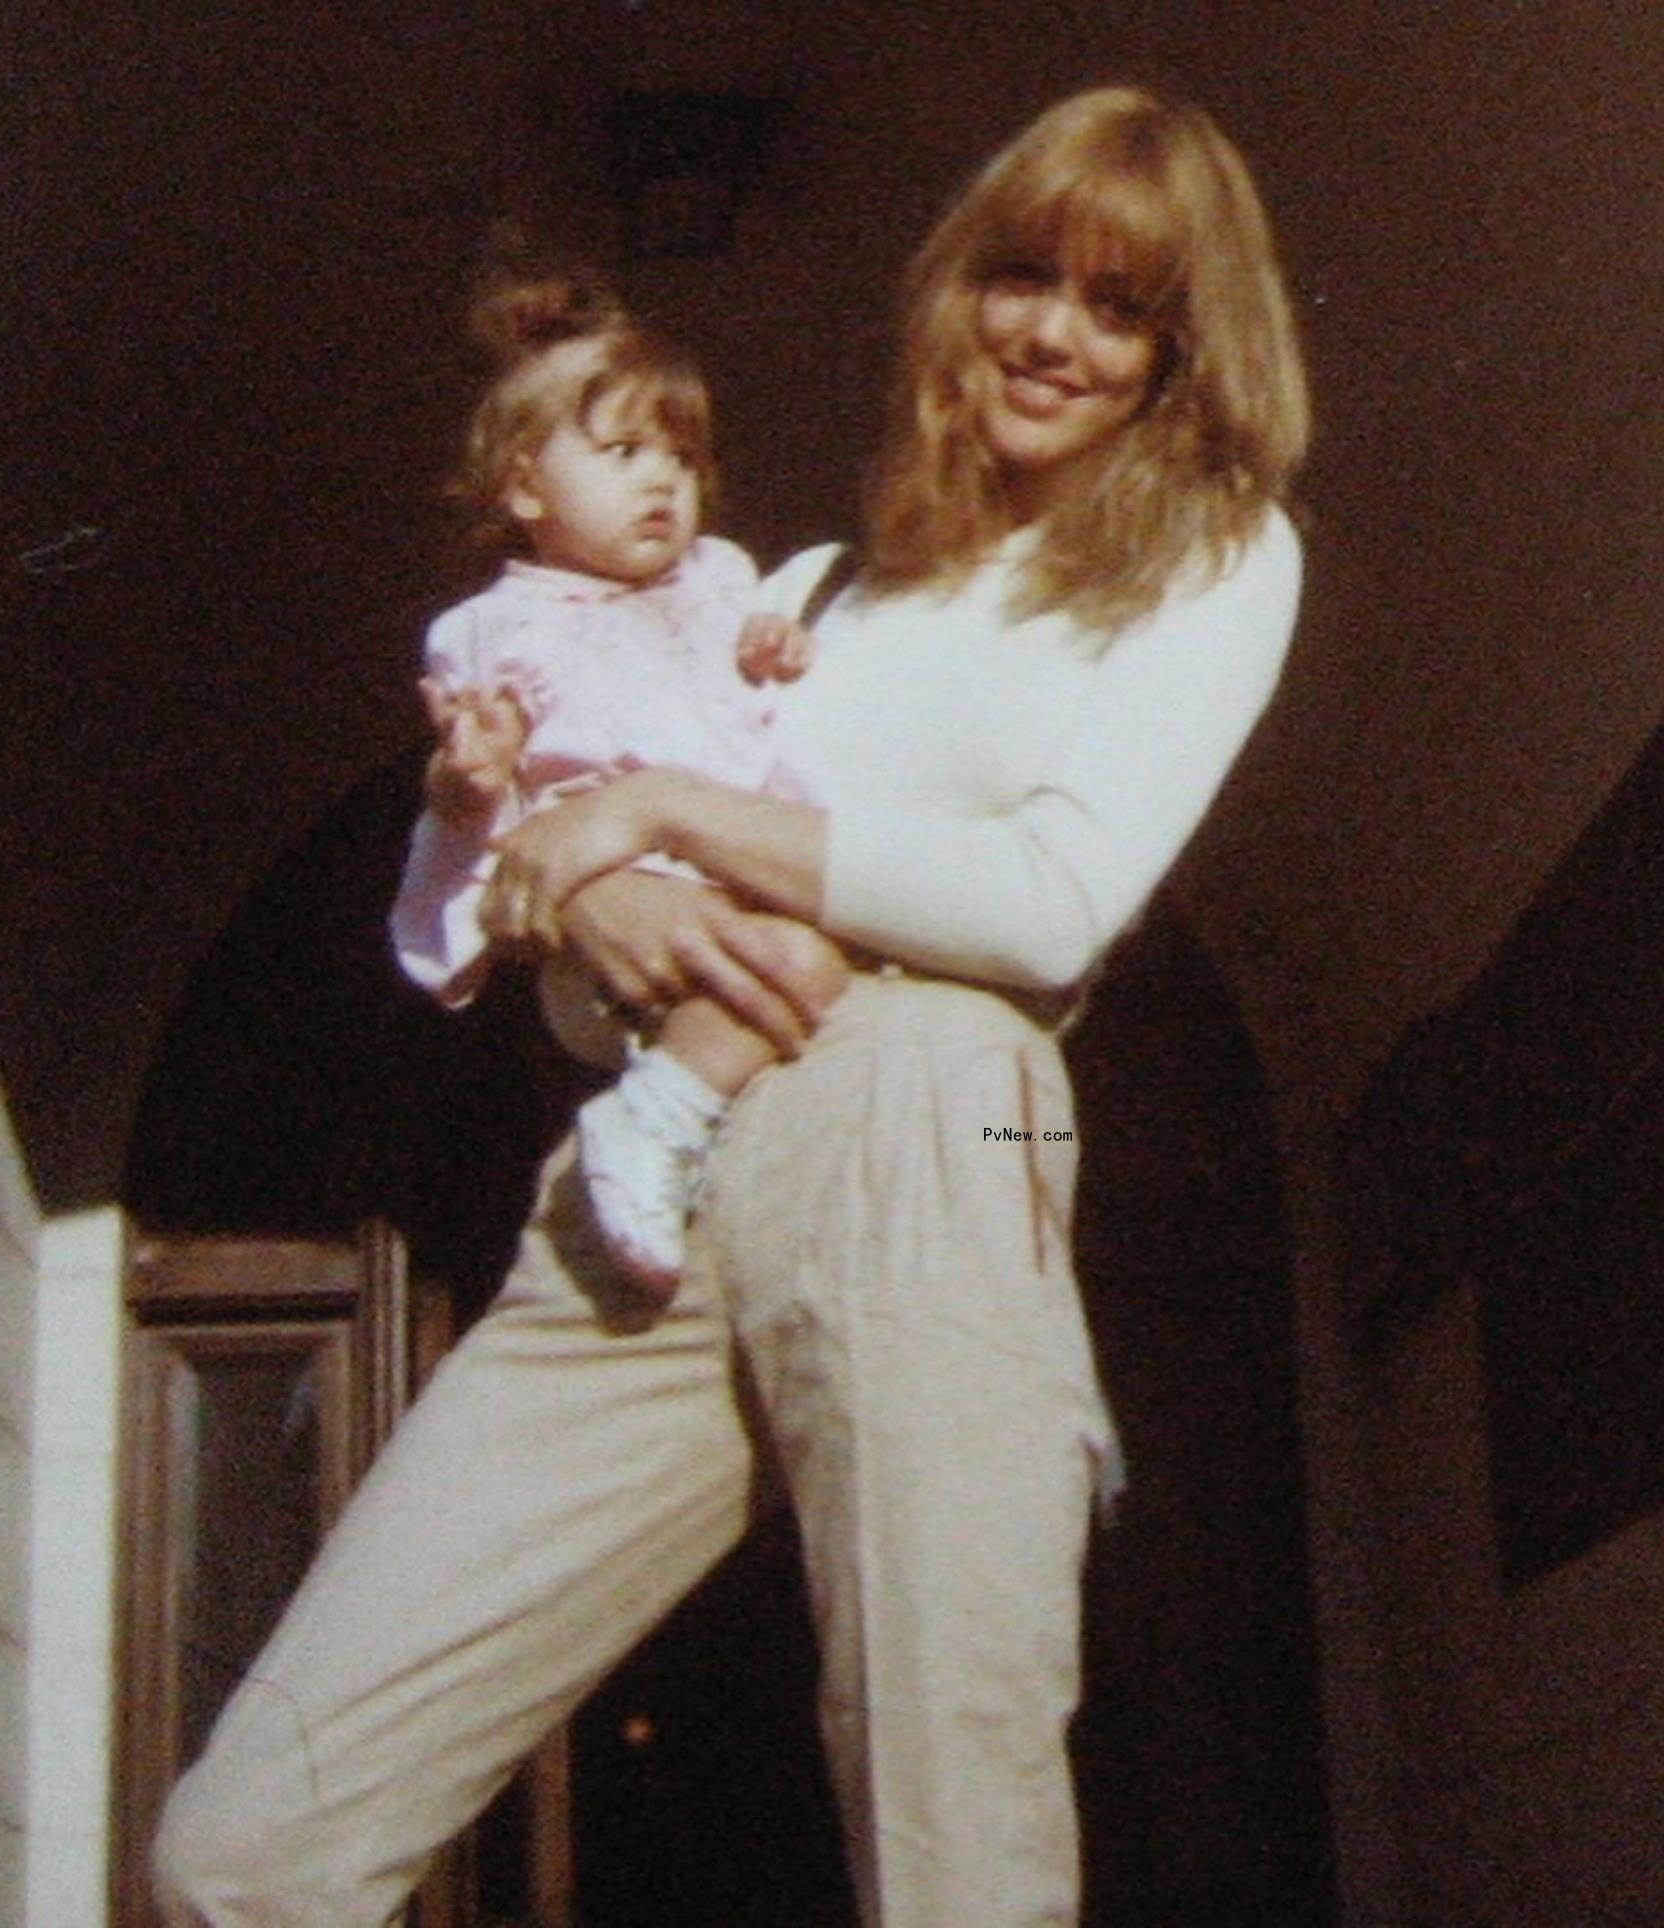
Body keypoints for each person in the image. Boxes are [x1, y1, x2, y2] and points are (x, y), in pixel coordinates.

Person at [154, 85, 1309, 1928]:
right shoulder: (803, 590)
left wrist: (668, 816)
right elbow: (570, 981)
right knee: (242, 1849)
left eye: (1121, 307)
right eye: (1024, 279)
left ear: (1183, 350)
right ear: (960, 292)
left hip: (937, 1106)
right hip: (654, 1161)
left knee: (956, 1837)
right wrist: (597, 897)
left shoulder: (1211, 558)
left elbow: (1049, 904)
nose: (1054, 336)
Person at [391, 274, 846, 1297]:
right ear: (525, 488)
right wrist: (468, 781)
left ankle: (689, 1146)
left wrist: (777, 647)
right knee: (794, 966)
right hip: (614, 942)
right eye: (625, 452)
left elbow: (765, 707)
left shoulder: (721, 577)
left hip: (744, 877)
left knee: (821, 968)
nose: (663, 483)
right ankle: (651, 1119)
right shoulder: (496, 631)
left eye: (682, 458)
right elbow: (483, 814)